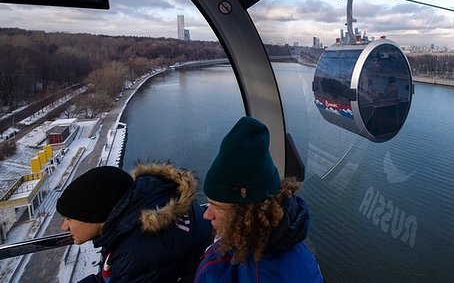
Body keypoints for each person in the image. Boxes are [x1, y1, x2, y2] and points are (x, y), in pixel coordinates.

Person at [195, 116, 324, 282]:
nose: (206, 214)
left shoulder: (219, 270)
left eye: (216, 205)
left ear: (244, 212)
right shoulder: (299, 249)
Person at [56, 164, 213, 283]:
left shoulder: (136, 253)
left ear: (94, 215)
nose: (64, 227)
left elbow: (125, 272)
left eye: (69, 218)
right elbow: (112, 276)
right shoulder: (153, 203)